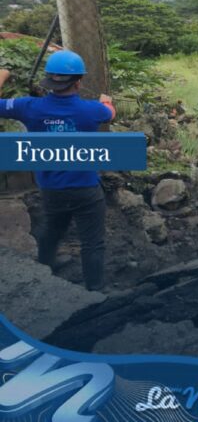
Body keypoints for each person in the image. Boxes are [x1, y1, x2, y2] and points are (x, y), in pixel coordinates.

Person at [0, 50, 115, 291]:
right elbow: (110, 114)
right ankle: (95, 290)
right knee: (92, 242)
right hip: (86, 189)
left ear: (49, 80)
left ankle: (44, 273)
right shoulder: (92, 110)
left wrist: (3, 74)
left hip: (52, 189)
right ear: (79, 81)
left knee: (52, 230)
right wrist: (106, 101)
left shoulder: (28, 107)